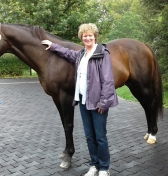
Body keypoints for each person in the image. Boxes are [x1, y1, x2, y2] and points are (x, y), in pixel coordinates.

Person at [41, 23, 118, 176]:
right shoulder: (81, 54)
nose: (87, 38)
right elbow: (68, 53)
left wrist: (103, 102)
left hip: (98, 103)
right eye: (85, 36)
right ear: (81, 38)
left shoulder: (102, 53)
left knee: (100, 137)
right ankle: (94, 165)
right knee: (89, 136)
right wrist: (53, 45)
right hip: (83, 100)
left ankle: (104, 168)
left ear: (95, 36)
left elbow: (108, 80)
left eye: (90, 35)